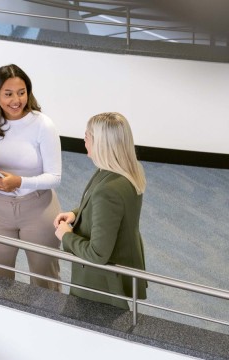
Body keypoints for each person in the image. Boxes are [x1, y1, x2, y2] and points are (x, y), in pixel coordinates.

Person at [0, 64, 62, 291]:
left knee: (45, 282)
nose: (16, 100)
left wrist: (20, 182)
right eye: (8, 94)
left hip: (38, 208)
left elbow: (55, 176)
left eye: (21, 92)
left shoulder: (43, 125)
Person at [54, 112, 147, 309]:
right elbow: (109, 210)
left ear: (101, 143)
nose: (83, 140)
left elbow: (97, 254)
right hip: (123, 262)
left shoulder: (108, 191)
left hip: (101, 284)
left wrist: (66, 236)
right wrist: (76, 213)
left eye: (87, 136)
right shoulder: (125, 171)